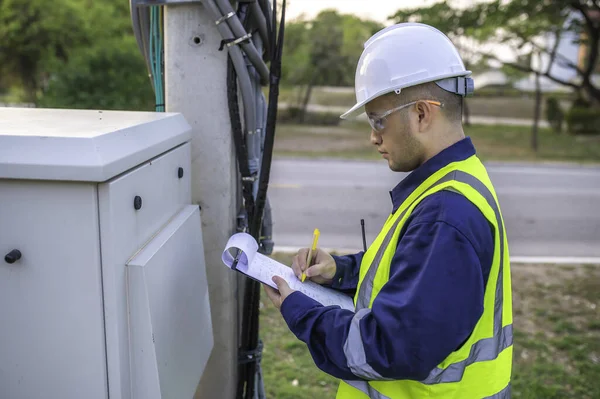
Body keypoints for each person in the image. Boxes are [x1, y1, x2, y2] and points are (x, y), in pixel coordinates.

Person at [264, 22, 513, 399]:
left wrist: (301, 311)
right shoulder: (450, 183)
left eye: (379, 120)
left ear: (421, 114)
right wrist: (341, 271)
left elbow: (389, 348)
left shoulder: (445, 213)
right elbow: (409, 271)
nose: (373, 136)